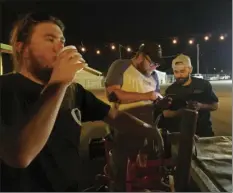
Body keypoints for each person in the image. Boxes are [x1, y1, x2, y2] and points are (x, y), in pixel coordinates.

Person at [0, 12, 163, 192]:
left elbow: (114, 116)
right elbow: (19, 156)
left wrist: (149, 131)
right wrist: (59, 83)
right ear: (21, 47)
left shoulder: (74, 91)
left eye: (62, 40)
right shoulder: (6, 89)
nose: (60, 46)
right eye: (50, 39)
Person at [105, 43, 165, 191]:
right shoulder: (120, 66)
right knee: (121, 171)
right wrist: (146, 96)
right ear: (140, 56)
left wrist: (161, 102)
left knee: (150, 166)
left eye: (157, 64)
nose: (155, 67)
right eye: (152, 62)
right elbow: (113, 95)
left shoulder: (154, 76)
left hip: (148, 129)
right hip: (124, 125)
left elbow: (154, 97)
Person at [160, 54, 219, 137]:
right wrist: (179, 112)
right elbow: (165, 113)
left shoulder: (203, 85)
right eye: (176, 72)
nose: (179, 75)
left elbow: (215, 106)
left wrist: (201, 106)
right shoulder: (170, 90)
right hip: (180, 134)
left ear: (190, 70)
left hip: (203, 132)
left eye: (182, 71)